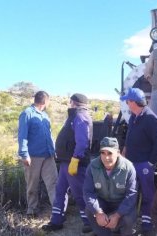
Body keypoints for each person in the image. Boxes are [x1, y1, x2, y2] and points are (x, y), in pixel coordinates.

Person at [42, 93, 93, 233]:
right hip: (66, 162)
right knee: (60, 191)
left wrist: (76, 159)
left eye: (69, 102)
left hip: (75, 162)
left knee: (80, 193)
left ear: (73, 102)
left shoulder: (80, 116)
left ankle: (89, 222)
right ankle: (56, 221)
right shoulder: (73, 116)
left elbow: (83, 142)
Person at [120, 88, 157, 235]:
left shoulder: (151, 119)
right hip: (131, 163)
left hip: (144, 164)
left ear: (133, 102)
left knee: (147, 194)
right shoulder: (134, 117)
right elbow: (130, 136)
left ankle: (147, 225)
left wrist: (150, 163)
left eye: (128, 101)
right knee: (130, 193)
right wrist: (125, 149)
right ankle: (128, 225)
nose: (126, 103)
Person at [83, 137, 138, 236]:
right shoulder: (92, 166)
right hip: (103, 202)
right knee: (89, 210)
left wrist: (117, 215)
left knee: (128, 218)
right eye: (103, 153)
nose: (106, 157)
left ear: (118, 152)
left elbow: (131, 195)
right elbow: (88, 192)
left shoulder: (128, 168)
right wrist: (98, 212)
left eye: (110, 153)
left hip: (121, 203)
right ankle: (103, 233)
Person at [17, 91, 58, 217]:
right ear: (45, 101)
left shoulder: (45, 116)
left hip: (48, 155)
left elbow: (50, 135)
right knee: (32, 185)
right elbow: (22, 135)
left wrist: (54, 150)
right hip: (33, 156)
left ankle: (57, 211)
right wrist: (24, 154)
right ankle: (32, 210)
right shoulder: (27, 114)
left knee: (54, 183)